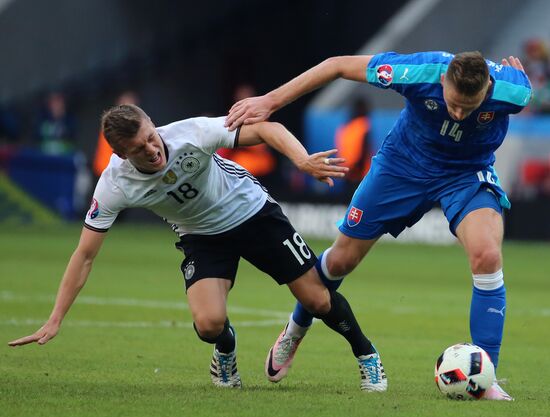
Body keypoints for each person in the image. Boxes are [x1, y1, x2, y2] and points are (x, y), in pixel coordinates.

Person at [8, 104, 387, 392]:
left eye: (151, 136)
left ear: (153, 125)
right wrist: (56, 317)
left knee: (319, 301)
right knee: (208, 325)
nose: (153, 149)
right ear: (122, 156)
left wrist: (302, 160)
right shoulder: (114, 184)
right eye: (140, 149)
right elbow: (85, 254)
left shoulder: (192, 133)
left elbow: (267, 128)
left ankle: (366, 354)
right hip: (201, 236)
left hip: (252, 212)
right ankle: (226, 349)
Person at [225, 51, 532, 400]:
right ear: (443, 81)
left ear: (488, 88)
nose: (459, 114)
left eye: (469, 107)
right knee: (341, 260)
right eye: (453, 104)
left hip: (465, 175)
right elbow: (336, 65)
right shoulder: (419, 72)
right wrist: (270, 100)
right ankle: (296, 328)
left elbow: (522, 89)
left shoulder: (513, 91)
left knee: (488, 256)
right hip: (402, 166)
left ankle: (485, 376)